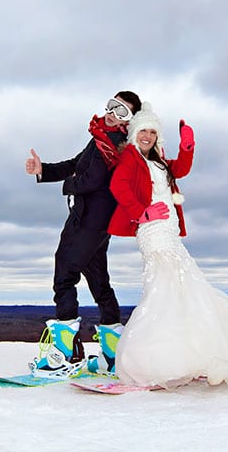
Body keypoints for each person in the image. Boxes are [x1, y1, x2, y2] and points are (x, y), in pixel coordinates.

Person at [108, 102, 228, 388]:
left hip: (168, 229)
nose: (148, 136)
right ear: (134, 133)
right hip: (153, 230)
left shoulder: (157, 160)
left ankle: (192, 357)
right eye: (143, 130)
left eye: (153, 132)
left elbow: (179, 170)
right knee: (166, 289)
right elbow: (117, 186)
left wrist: (188, 147)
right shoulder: (131, 158)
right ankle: (151, 363)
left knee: (184, 290)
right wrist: (141, 212)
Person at [24, 91, 141, 378]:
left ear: (130, 122)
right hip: (98, 223)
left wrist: (68, 185)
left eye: (122, 112)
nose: (113, 113)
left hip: (88, 221)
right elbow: (77, 163)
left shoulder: (112, 143)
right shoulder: (102, 139)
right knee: (99, 282)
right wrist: (44, 170)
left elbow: (91, 180)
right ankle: (113, 356)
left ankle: (66, 354)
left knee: (64, 273)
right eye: (112, 106)